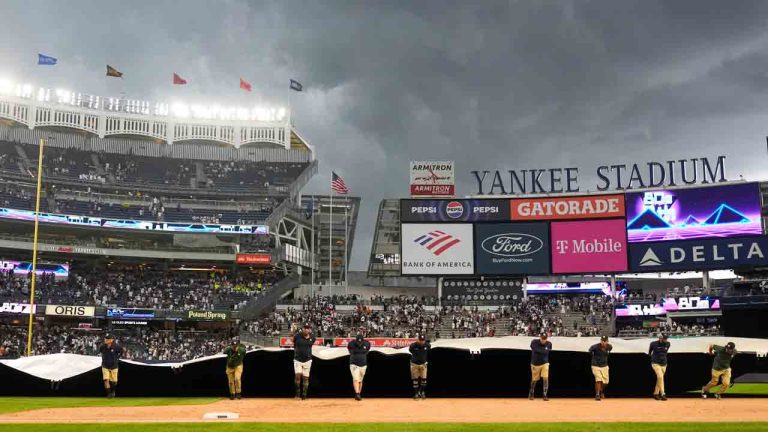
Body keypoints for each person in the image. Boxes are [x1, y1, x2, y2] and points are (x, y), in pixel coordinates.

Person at [293, 323, 316, 400]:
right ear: (302, 329)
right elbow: (294, 344)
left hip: (308, 360)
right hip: (297, 360)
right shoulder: (297, 336)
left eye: (308, 328)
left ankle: (304, 395)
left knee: (306, 378)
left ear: (309, 329)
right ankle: (297, 394)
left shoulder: (312, 337)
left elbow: (311, 345)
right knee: (298, 375)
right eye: (305, 328)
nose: (306, 329)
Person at [347, 334, 371, 401]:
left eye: (361, 342)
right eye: (358, 342)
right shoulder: (351, 344)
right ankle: (357, 393)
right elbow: (350, 351)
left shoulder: (367, 343)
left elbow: (367, 350)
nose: (359, 343)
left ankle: (358, 394)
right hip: (354, 364)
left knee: (360, 380)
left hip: (363, 365)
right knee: (355, 379)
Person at [99, 333, 124, 398]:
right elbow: (101, 352)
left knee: (114, 382)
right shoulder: (102, 346)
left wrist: (117, 358)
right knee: (106, 379)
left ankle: (113, 391)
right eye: (105, 338)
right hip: (105, 365)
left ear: (111, 340)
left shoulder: (117, 346)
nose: (105, 340)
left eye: (107, 339)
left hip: (114, 366)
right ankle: (109, 393)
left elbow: (122, 351)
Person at [589, 335, 612, 401]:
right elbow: (590, 351)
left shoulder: (609, 347)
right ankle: (597, 394)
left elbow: (608, 352)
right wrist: (594, 358)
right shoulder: (595, 347)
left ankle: (601, 391)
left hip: (604, 365)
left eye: (605, 341)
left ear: (607, 341)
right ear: (600, 340)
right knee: (598, 380)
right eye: (602, 341)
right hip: (595, 365)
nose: (603, 342)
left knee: (605, 382)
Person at [530, 332, 552, 401]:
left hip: (545, 363)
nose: (543, 340)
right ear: (540, 337)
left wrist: (539, 351)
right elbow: (538, 350)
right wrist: (542, 351)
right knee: (534, 380)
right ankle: (531, 393)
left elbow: (545, 352)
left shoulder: (549, 343)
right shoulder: (534, 342)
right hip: (535, 364)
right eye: (542, 338)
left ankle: (545, 395)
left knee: (545, 378)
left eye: (545, 339)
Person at [649, 333, 670, 401]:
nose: (666, 340)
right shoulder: (653, 344)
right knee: (660, 377)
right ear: (660, 338)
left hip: (664, 364)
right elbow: (650, 352)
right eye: (664, 338)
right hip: (655, 363)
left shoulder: (668, 344)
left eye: (666, 338)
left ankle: (655, 393)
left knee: (659, 379)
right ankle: (663, 394)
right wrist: (654, 358)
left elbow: (664, 352)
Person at [409, 334, 430, 400]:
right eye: (420, 340)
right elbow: (411, 351)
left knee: (424, 379)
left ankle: (422, 392)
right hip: (414, 364)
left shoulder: (427, 345)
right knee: (415, 379)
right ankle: (416, 394)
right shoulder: (413, 345)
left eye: (423, 340)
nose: (422, 342)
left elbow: (427, 351)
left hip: (423, 364)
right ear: (418, 340)